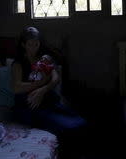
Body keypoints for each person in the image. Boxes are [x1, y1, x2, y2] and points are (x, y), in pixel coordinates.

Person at [11, 26, 88, 158]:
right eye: (30, 44)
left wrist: (43, 90)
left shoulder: (43, 59)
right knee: (66, 128)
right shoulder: (18, 63)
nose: (34, 47)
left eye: (37, 44)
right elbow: (16, 87)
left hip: (46, 100)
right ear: (24, 45)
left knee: (80, 122)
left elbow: (56, 78)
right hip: (28, 105)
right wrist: (40, 83)